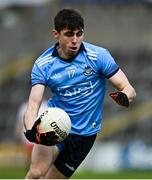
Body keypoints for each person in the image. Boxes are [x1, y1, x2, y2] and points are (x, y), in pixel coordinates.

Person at [23, 9, 136, 179]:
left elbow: (128, 88)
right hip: (53, 124)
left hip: (85, 134)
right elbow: (33, 104)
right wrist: (31, 128)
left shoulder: (98, 56)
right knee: (36, 173)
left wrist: (125, 96)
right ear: (56, 34)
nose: (75, 40)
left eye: (79, 34)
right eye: (69, 34)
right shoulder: (44, 64)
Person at [15, 100, 48, 169]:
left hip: (42, 137)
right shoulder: (25, 106)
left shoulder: (46, 105)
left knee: (41, 158)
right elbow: (20, 121)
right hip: (28, 137)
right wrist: (17, 135)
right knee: (29, 158)